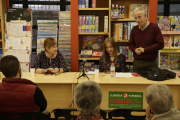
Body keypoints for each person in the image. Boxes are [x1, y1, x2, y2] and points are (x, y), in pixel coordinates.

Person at [129, 7, 164, 73]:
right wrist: (135, 49)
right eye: (135, 18)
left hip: (150, 63)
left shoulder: (154, 28)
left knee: (151, 83)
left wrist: (145, 50)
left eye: (139, 17)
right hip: (137, 63)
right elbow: (131, 45)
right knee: (137, 83)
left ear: (145, 16)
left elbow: (160, 44)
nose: (137, 20)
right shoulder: (134, 29)